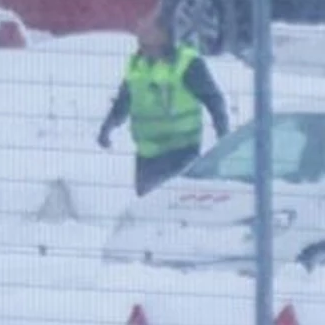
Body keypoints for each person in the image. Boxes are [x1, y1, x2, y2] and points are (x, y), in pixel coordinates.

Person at [97, 14, 230, 196]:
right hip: (147, 156)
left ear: (163, 34)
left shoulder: (187, 64)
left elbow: (213, 99)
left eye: (147, 29)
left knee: (172, 202)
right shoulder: (137, 65)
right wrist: (107, 127)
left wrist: (223, 136)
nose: (140, 33)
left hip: (180, 153)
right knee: (148, 205)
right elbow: (124, 101)